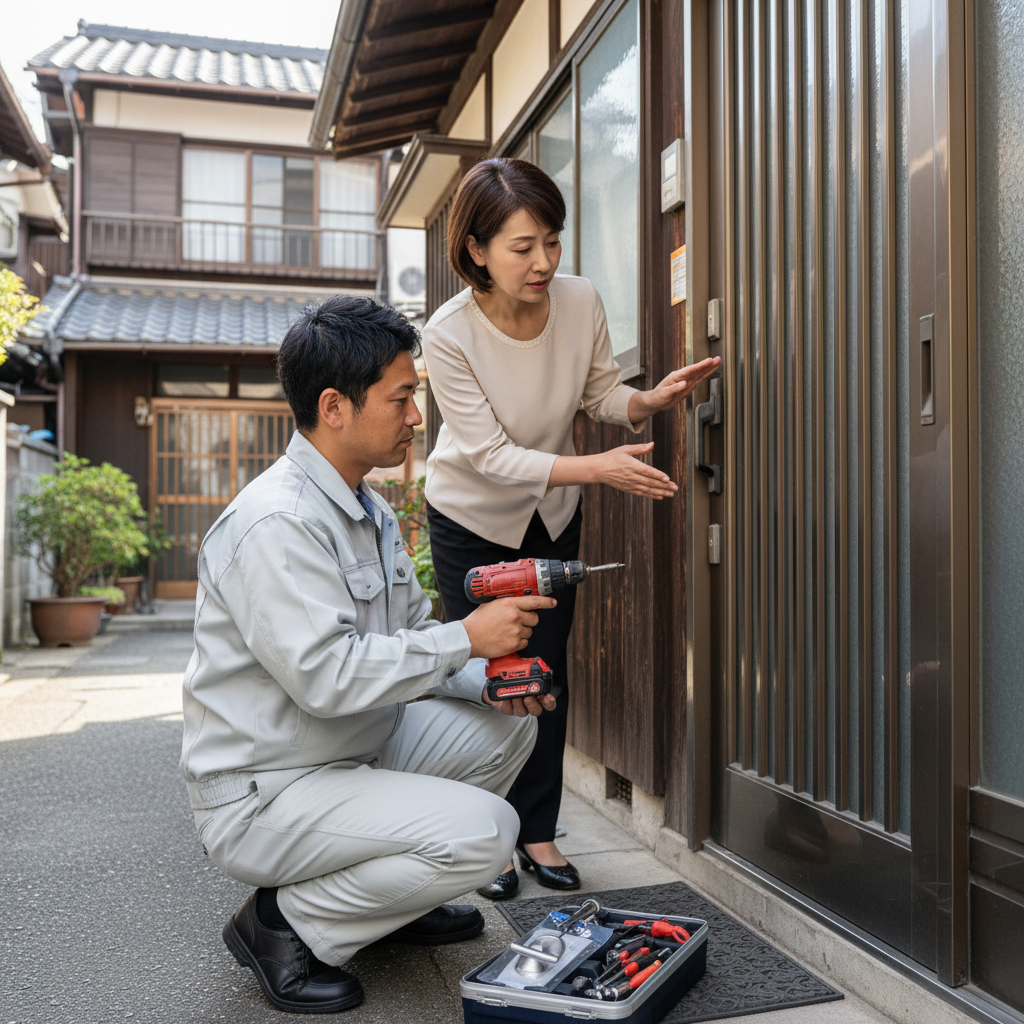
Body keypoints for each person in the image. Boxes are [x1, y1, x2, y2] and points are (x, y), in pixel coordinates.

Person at [179, 296, 558, 1015]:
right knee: (487, 834)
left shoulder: (366, 507)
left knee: (512, 726)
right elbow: (326, 677)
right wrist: (469, 636)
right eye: (403, 397)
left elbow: (415, 636)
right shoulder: (276, 523)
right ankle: (285, 926)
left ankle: (391, 906)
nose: (416, 417)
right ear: (335, 407)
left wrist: (495, 680)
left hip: (347, 754)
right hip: (266, 792)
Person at [422, 158, 720, 900]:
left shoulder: (579, 299)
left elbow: (596, 394)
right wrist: (598, 471)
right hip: (472, 518)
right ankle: (485, 839)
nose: (544, 262)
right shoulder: (447, 333)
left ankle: (538, 830)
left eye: (552, 241)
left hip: (550, 516)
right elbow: (488, 455)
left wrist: (648, 401)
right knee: (485, 680)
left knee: (545, 677)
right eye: (523, 247)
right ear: (476, 250)